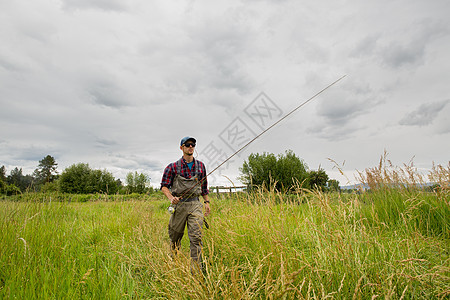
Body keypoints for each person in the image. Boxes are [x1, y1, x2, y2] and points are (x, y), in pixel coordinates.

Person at [160, 136, 210, 268]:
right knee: (175, 237)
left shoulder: (201, 166)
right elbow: (164, 186)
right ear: (181, 147)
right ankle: (174, 265)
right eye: (187, 144)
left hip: (195, 205)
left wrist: (207, 202)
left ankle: (196, 270)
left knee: (196, 237)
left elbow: (204, 187)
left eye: (193, 144)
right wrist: (171, 198)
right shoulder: (172, 167)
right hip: (179, 206)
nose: (190, 147)